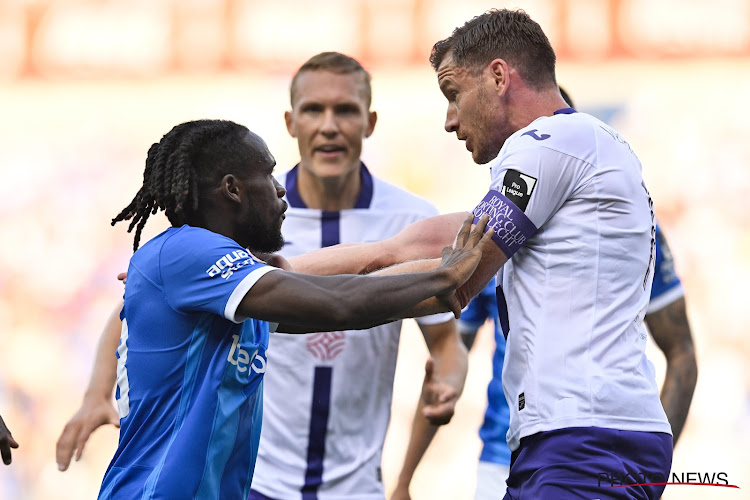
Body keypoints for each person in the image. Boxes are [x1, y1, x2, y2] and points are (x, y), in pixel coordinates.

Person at [288, 8, 676, 499]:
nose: (450, 120)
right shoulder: (577, 153)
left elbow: (453, 282)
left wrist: (289, 308)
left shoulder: (547, 143)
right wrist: (272, 274)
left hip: (585, 436)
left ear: (498, 76)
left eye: (453, 95)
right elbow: (403, 249)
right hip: (583, 433)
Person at [56, 52, 468, 500]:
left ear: (369, 122)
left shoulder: (241, 278)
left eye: (345, 110)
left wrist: (420, 262)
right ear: (232, 188)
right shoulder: (189, 253)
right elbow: (339, 302)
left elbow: (327, 288)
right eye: (269, 174)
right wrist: (444, 275)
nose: (279, 187)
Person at [393, 89, 698, 500]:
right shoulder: (494, 228)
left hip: (584, 440)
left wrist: (647, 472)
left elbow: (681, 351)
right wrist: (406, 475)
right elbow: (451, 348)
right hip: (511, 449)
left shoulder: (628, 228)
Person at [248, 52, 467, 500]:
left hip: (358, 488)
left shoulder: (411, 220)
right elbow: (138, 301)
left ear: (370, 122)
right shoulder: (249, 220)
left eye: (345, 110)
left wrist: (449, 379)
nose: (330, 125)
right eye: (314, 110)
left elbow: (446, 342)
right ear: (291, 122)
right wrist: (98, 390)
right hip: (256, 484)